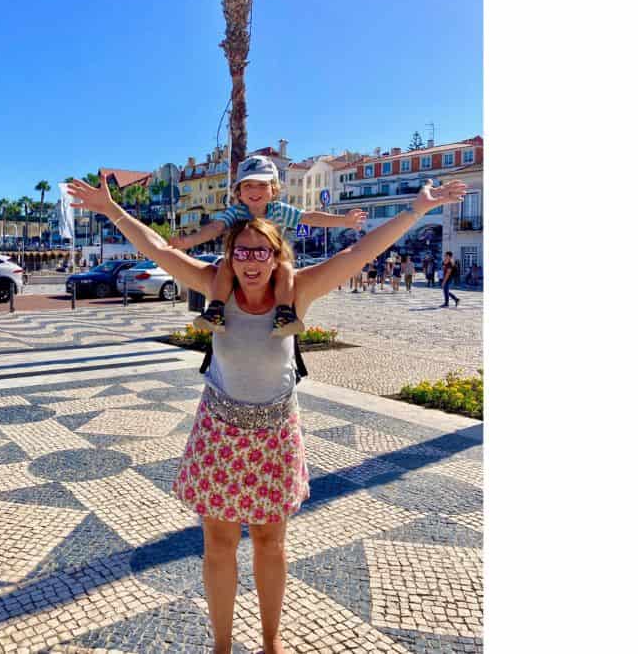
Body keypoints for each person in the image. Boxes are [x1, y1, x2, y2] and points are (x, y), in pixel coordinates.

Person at [66, 174, 466, 654]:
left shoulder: (295, 293)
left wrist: (417, 209)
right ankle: (222, 645)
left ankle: (272, 643)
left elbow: (359, 254)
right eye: (242, 252)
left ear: (277, 257)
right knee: (217, 543)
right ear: (230, 257)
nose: (251, 261)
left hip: (276, 433)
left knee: (270, 542)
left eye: (262, 252)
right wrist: (113, 211)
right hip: (218, 431)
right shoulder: (215, 289)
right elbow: (159, 250)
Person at [169, 155, 366, 337]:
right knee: (225, 266)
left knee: (286, 268)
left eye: (262, 185)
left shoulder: (279, 210)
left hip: (272, 262)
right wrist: (189, 241)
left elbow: (309, 217)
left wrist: (344, 220)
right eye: (248, 186)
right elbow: (215, 228)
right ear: (239, 191)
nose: (255, 191)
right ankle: (216, 310)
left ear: (273, 190)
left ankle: (284, 314)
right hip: (240, 264)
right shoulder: (236, 212)